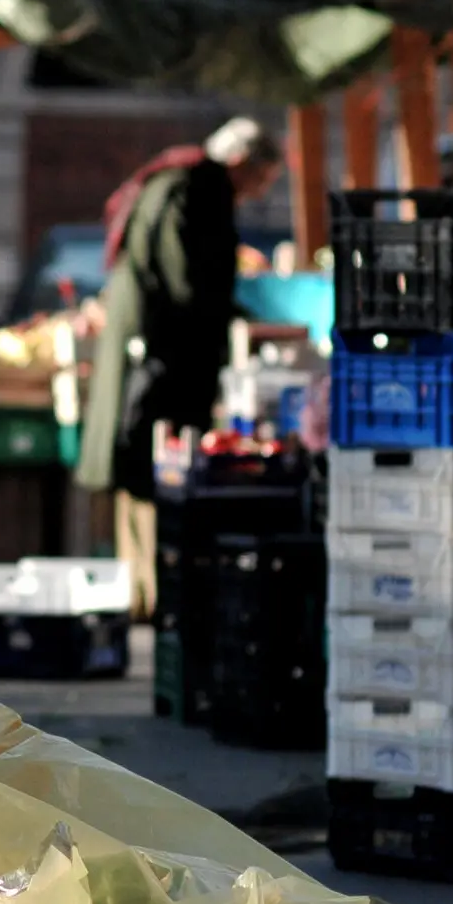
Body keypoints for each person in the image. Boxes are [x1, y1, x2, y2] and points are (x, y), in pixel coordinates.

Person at [75, 116, 284, 614]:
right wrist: (242, 317)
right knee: (155, 471)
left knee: (138, 471)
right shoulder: (199, 186)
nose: (255, 195)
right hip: (165, 355)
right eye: (259, 182)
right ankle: (153, 592)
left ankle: (141, 593)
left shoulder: (174, 178)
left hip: (148, 348)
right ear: (240, 162)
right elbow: (188, 282)